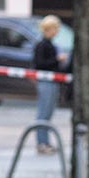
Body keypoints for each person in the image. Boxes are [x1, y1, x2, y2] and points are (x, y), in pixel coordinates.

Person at [33, 15, 67, 155]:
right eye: (55, 28)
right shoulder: (42, 45)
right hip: (46, 81)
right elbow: (40, 64)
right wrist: (56, 59)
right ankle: (42, 143)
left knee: (48, 113)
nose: (57, 31)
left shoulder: (51, 44)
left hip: (52, 81)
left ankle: (45, 142)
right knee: (43, 113)